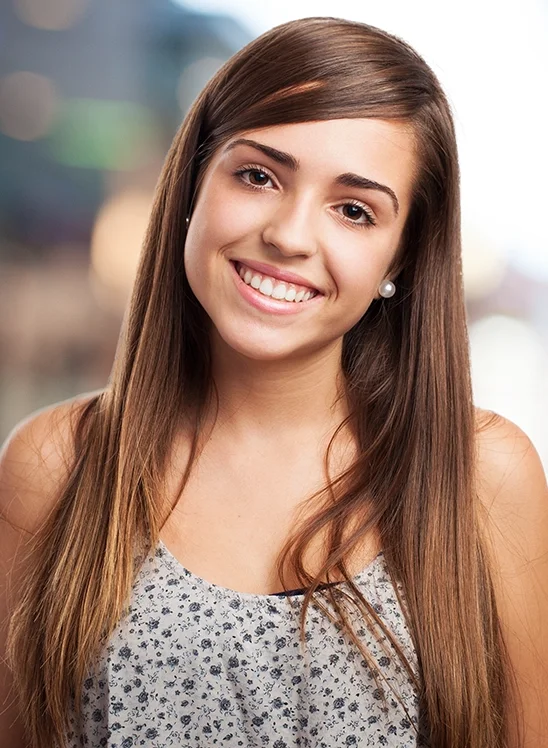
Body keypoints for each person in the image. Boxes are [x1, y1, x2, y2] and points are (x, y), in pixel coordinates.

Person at [1, 15, 547, 748]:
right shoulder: (55, 466)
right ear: (195, 180)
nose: (290, 235)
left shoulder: (483, 477)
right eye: (258, 175)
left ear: (400, 260)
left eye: (354, 211)